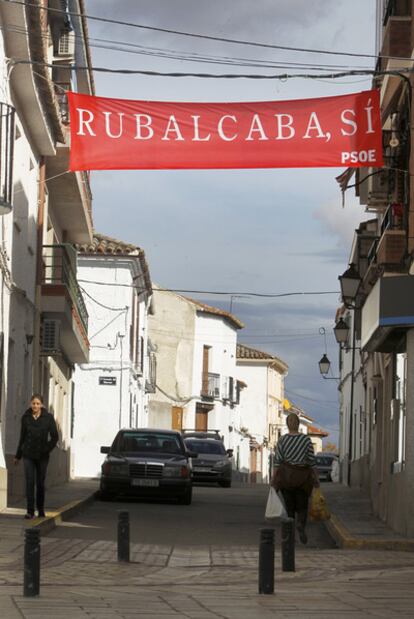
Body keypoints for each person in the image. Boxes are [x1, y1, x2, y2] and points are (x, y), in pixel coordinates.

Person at [271, 412, 319, 544]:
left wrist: (274, 478)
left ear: (287, 425)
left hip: (286, 477)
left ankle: (291, 534)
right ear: (298, 424)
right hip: (303, 478)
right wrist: (316, 477)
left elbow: (277, 461)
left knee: (290, 507)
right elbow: (311, 461)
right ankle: (301, 526)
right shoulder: (306, 440)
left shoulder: (282, 440)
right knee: (303, 506)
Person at [14, 394, 58, 519]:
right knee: (29, 482)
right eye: (33, 403)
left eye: (38, 403)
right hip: (28, 454)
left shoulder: (48, 418)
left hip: (42, 456)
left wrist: (47, 449)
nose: (35, 406)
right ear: (30, 404)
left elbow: (55, 437)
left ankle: (41, 509)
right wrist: (18, 456)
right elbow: (22, 437)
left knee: (40, 483)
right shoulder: (25, 417)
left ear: (42, 405)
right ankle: (30, 511)